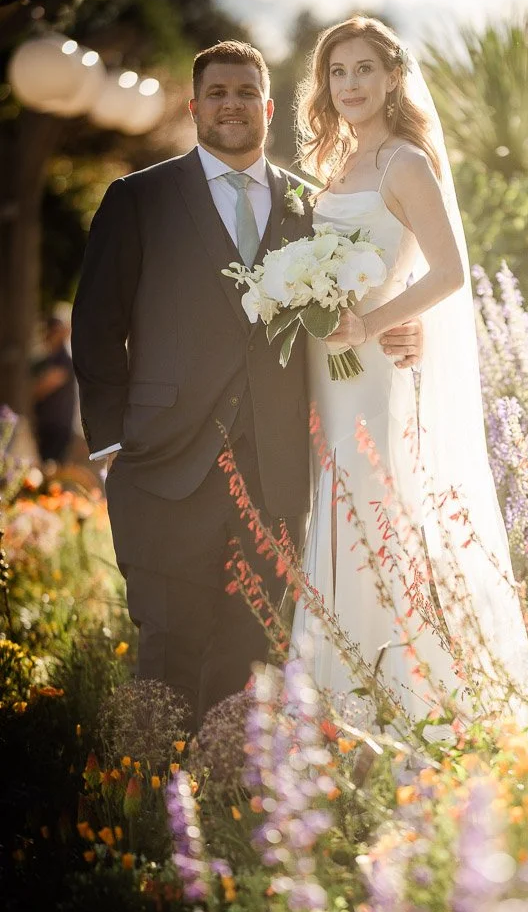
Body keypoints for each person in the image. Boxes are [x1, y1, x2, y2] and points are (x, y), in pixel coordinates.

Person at [71, 40, 421, 730]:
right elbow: (96, 328)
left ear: (267, 107)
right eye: (218, 93)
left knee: (252, 651)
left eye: (245, 94)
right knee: (167, 644)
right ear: (195, 106)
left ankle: (232, 805)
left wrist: (401, 328)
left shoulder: (308, 204)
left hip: (274, 470)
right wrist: (111, 446)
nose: (232, 104)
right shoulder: (137, 199)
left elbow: (351, 297)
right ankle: (149, 806)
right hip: (162, 463)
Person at [290, 16, 528, 720]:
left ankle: (398, 699)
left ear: (391, 78)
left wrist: (370, 323)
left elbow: (450, 271)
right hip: (322, 371)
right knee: (333, 506)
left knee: (370, 509)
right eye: (337, 73)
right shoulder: (332, 167)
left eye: (363, 71)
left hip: (371, 372)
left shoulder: (406, 163)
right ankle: (332, 692)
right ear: (325, 84)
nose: (350, 85)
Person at [32, 305, 76, 465]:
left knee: (52, 468)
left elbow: (44, 386)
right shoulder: (47, 359)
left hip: (58, 426)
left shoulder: (64, 359)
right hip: (46, 424)